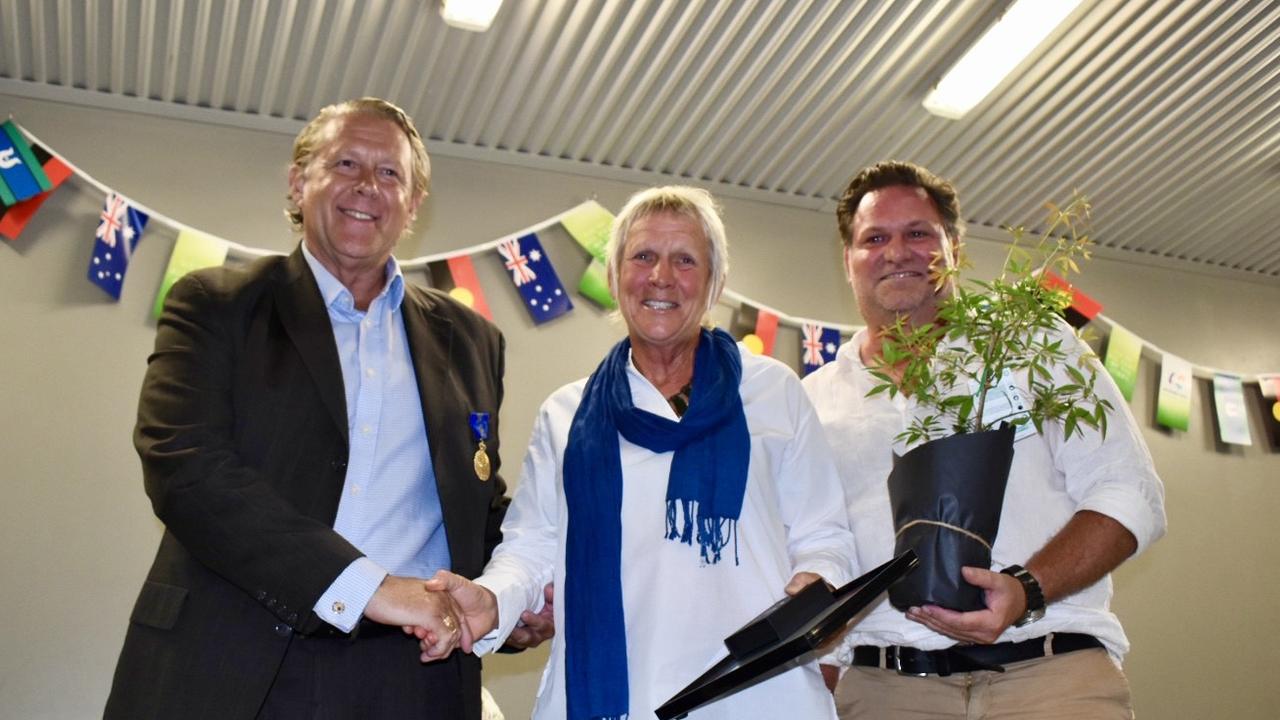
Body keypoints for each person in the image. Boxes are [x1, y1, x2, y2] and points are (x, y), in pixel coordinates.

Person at [104, 97, 546, 720]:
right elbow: (188, 470)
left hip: (415, 676)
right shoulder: (216, 302)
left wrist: (509, 597)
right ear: (298, 180)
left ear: (414, 202)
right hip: (240, 662)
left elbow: (475, 503)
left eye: (390, 173)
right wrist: (372, 588)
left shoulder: (472, 339)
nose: (367, 185)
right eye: (345, 163)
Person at [425, 185, 856, 719]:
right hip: (614, 693)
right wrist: (492, 598)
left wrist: (820, 584)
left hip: (757, 693)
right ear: (614, 277)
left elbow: (825, 535)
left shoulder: (774, 391)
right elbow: (532, 545)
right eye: (643, 256)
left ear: (715, 282)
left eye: (685, 260)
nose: (661, 277)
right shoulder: (566, 413)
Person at [803, 160, 1167, 719]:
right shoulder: (814, 401)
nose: (896, 251)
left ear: (954, 247)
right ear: (848, 261)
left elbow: (1129, 493)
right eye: (874, 238)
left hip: (1051, 676)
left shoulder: (1032, 343)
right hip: (887, 692)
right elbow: (817, 552)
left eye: (918, 233)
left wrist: (1027, 589)